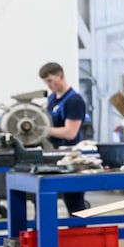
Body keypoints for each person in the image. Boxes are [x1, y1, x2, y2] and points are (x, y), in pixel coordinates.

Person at [39, 61, 90, 214]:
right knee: (44, 200)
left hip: (71, 156)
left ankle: (79, 228)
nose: (48, 85)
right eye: (45, 82)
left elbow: (70, 133)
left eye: (50, 80)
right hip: (54, 154)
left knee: (74, 204)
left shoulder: (74, 101)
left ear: (60, 75)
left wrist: (41, 130)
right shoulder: (52, 99)